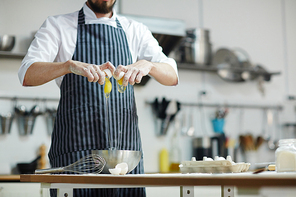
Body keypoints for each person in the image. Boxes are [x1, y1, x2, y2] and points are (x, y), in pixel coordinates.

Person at [18, 0, 178, 196]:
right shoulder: (57, 25)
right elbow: (27, 74)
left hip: (125, 160)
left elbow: (172, 76)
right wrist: (68, 66)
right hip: (76, 158)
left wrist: (149, 65)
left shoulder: (135, 30)